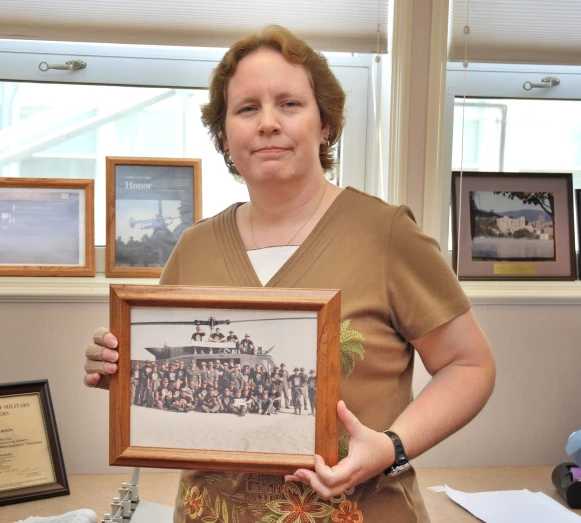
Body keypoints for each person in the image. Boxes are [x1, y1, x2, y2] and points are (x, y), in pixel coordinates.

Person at [84, 25, 495, 522]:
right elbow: (162, 377)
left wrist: (391, 447)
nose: (268, 123)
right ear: (225, 134)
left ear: (325, 125)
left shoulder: (385, 235)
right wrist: (115, 366)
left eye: (290, 104)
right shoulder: (194, 247)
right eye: (247, 108)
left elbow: (469, 367)